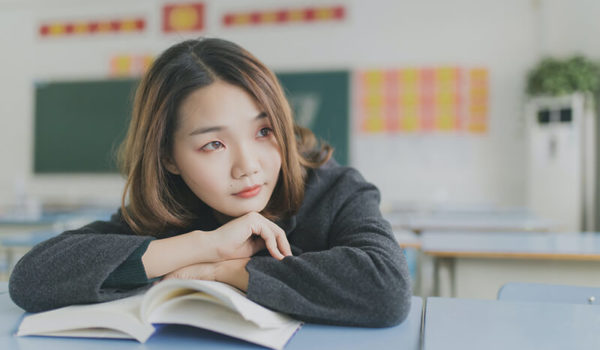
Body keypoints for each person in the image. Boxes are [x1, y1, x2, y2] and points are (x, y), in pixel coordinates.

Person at [9, 38, 411, 327]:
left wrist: (225, 271)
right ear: (168, 157)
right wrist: (204, 245)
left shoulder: (334, 190)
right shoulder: (173, 209)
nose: (248, 166)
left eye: (264, 131)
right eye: (214, 144)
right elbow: (32, 278)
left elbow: (387, 289)